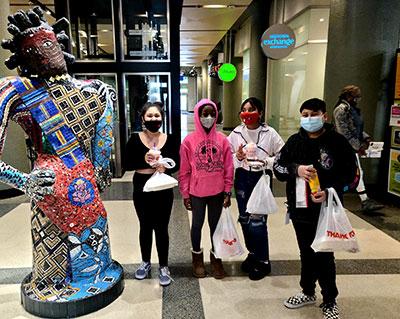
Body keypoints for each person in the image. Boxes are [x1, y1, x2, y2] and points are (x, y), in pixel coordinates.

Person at [0, 7, 123, 315]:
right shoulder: (16, 91)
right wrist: (23, 181)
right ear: (23, 59)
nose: (43, 54)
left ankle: (92, 276)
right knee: (51, 266)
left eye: (47, 44)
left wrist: (98, 169)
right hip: (48, 190)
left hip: (86, 187)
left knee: (95, 250)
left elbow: (103, 151)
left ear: (59, 43)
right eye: (33, 50)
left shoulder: (98, 91)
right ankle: (54, 283)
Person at [273, 98, 357, 319]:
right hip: (300, 208)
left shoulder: (338, 143)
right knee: (306, 252)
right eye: (305, 115)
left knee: (324, 254)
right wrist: (296, 169)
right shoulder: (294, 141)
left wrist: (330, 191)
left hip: (325, 209)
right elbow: (278, 167)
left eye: (313, 114)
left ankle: (329, 300)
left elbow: (352, 175)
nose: (309, 119)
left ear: (325, 116)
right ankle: (307, 291)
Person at [227, 97, 284, 280]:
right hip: (243, 178)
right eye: (244, 109)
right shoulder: (236, 133)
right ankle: (253, 253)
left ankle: (263, 261)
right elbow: (228, 158)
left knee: (257, 221)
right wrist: (238, 155)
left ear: (260, 112)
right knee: (244, 219)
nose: (247, 113)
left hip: (261, 178)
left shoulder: (270, 133)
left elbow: (283, 156)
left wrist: (266, 161)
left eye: (252, 109)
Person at [179, 98, 234, 279]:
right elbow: (185, 170)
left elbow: (228, 167)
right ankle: (197, 258)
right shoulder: (188, 141)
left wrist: (227, 190)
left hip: (217, 192)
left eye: (212, 114)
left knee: (215, 226)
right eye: (205, 114)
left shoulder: (223, 140)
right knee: (196, 225)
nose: (208, 117)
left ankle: (216, 258)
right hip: (197, 193)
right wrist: (185, 194)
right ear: (197, 116)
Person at [125, 102, 178, 286]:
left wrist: (166, 165)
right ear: (143, 119)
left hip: (163, 188)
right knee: (145, 226)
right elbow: (127, 163)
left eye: (157, 116)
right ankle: (145, 262)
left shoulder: (170, 139)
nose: (154, 119)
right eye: (150, 116)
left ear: (162, 118)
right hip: (142, 186)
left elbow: (177, 162)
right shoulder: (134, 139)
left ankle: (164, 266)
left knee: (162, 227)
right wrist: (144, 159)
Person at [333, 85, 384, 213]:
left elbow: (355, 128)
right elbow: (344, 132)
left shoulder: (350, 109)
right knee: (352, 172)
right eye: (356, 96)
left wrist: (365, 138)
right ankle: (362, 200)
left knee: (356, 172)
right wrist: (358, 146)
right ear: (348, 96)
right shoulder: (341, 110)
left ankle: (364, 200)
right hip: (343, 148)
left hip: (349, 147)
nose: (358, 99)